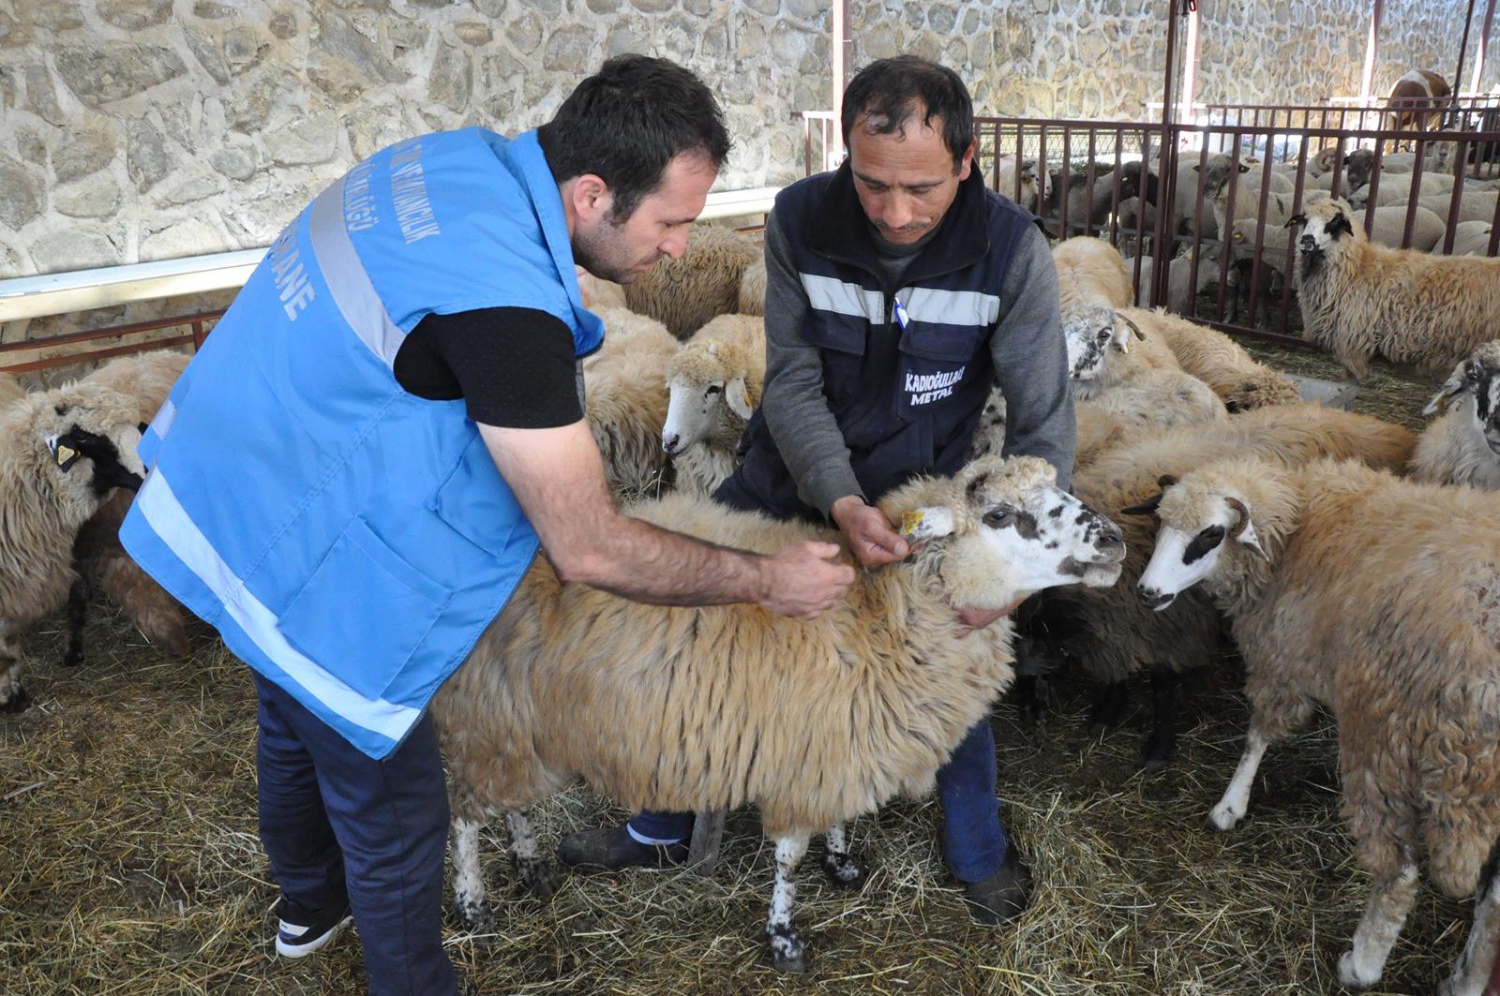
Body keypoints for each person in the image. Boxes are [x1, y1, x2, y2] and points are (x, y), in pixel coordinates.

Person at [118, 55, 853, 996]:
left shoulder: (449, 164)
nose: (680, 248)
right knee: (395, 807)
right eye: (670, 222)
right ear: (593, 194)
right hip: (305, 535)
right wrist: (765, 579)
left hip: (236, 476)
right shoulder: (506, 306)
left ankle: (308, 907)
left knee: (289, 709)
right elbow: (587, 543)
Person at [558, 55, 1075, 925]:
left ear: (967, 159)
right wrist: (838, 499)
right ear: (846, 154)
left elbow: (1043, 419)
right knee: (688, 629)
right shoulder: (802, 219)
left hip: (920, 497)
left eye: (921, 188)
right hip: (790, 474)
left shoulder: (1011, 249)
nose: (895, 212)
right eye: (872, 184)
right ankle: (662, 823)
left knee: (942, 657)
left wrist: (1012, 574)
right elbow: (792, 382)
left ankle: (977, 849)